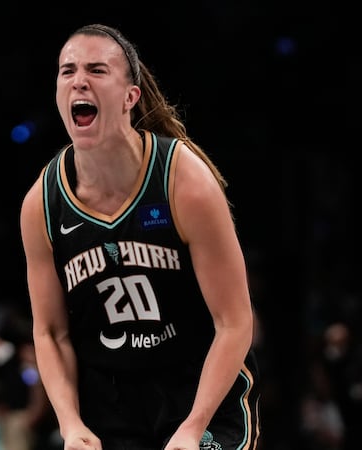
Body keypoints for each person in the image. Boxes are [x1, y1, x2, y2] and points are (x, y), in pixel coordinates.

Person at [18, 24, 261, 450]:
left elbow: (234, 321)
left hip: (199, 385)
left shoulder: (184, 182)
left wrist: (192, 426)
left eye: (96, 70)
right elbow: (50, 333)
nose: (79, 80)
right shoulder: (42, 203)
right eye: (67, 70)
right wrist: (70, 424)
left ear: (130, 97)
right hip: (110, 400)